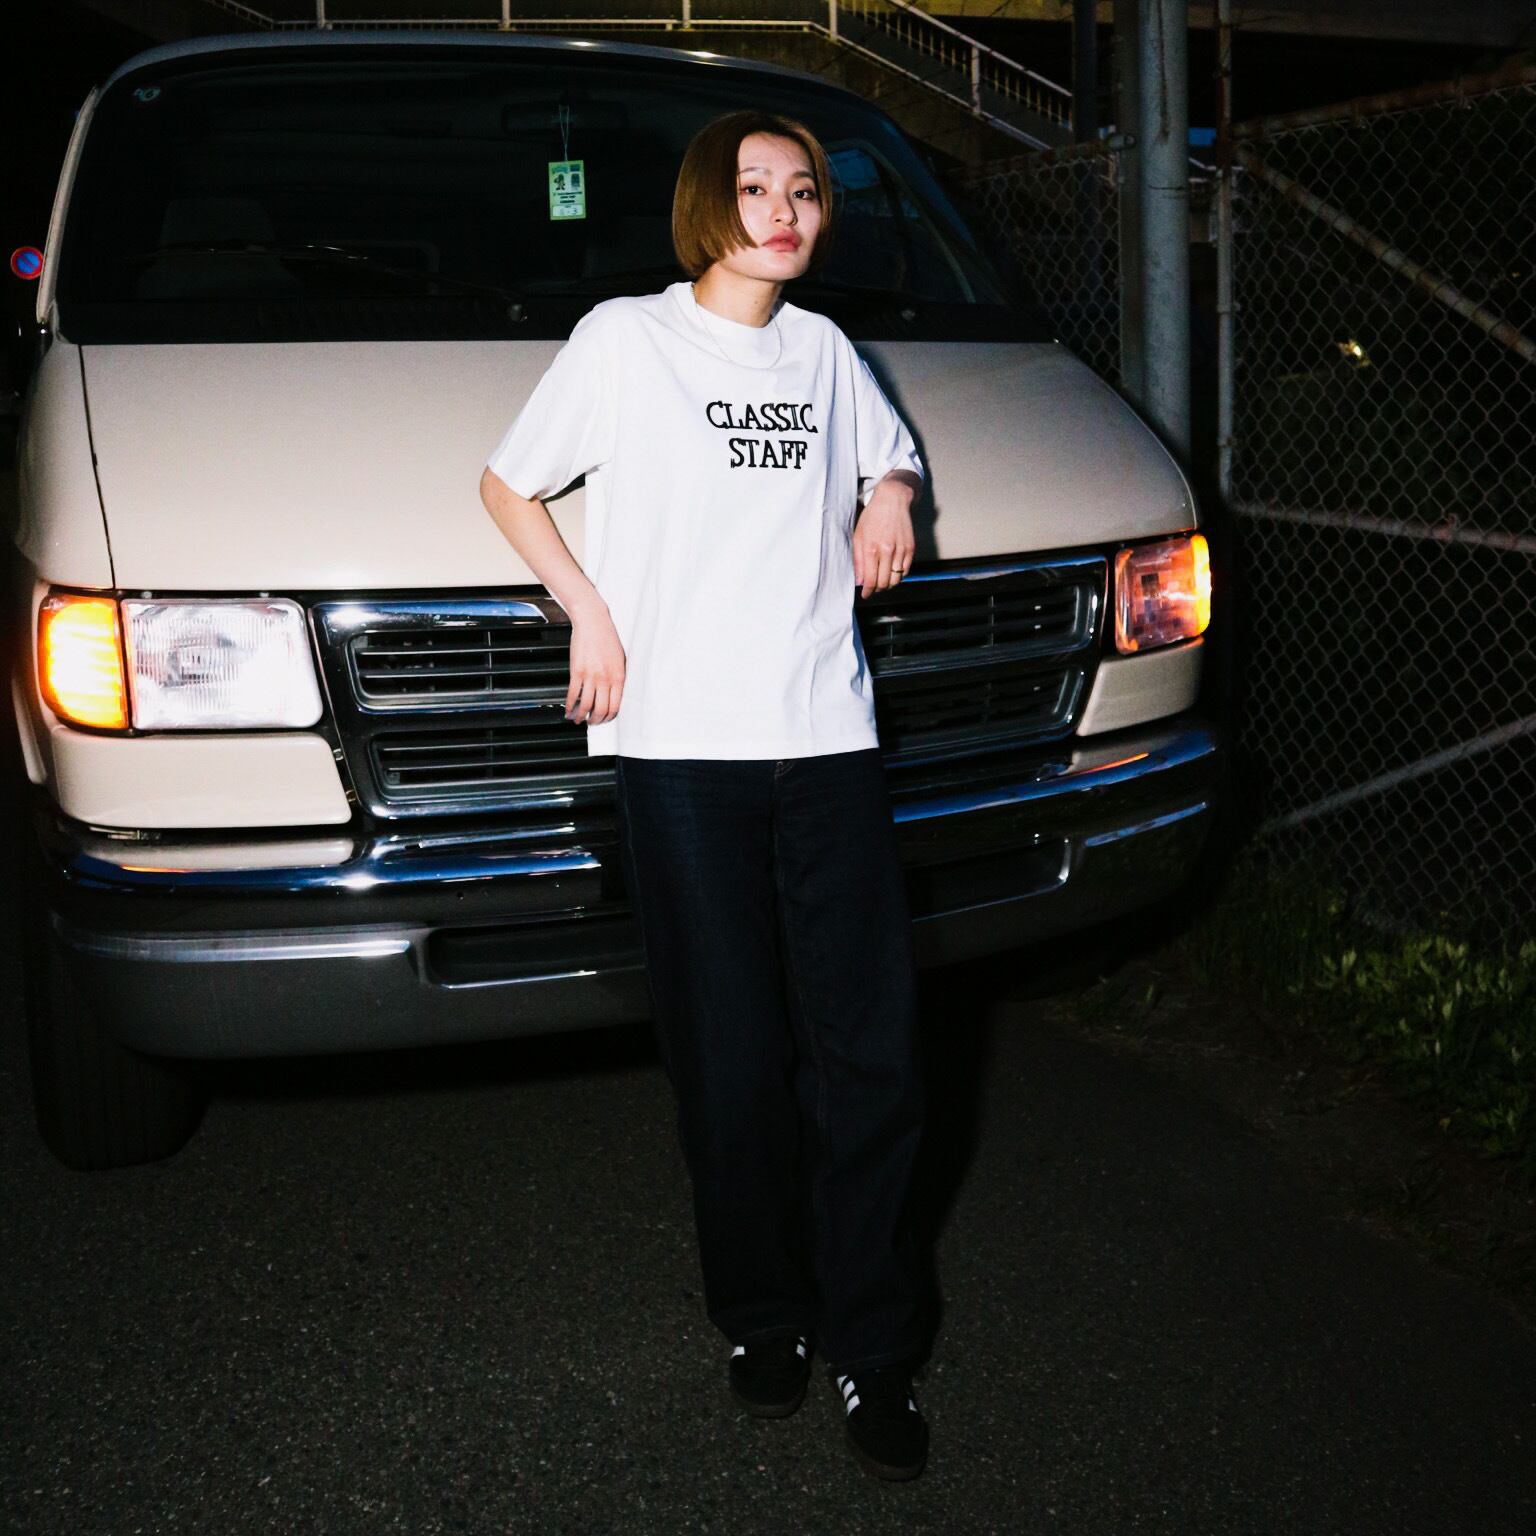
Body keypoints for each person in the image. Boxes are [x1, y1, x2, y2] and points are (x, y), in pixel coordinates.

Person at [479, 109, 930, 1481]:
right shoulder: (628, 340)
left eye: (805, 190)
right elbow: (508, 484)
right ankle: (763, 1316)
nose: (784, 210)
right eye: (754, 187)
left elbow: (887, 451)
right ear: (704, 205)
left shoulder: (827, 353)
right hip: (681, 748)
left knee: (870, 1056)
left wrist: (893, 492)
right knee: (731, 1058)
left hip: (827, 738)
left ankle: (874, 1348)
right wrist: (590, 612)